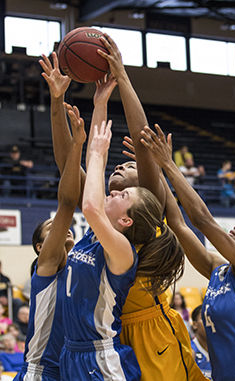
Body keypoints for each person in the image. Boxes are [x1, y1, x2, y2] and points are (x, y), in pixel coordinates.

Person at [40, 41, 206, 380]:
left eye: (128, 168)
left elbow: (141, 139)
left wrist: (122, 76)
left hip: (150, 329)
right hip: (108, 333)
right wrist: (57, 103)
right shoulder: (104, 211)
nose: (119, 167)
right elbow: (66, 163)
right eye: (117, 165)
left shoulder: (149, 205)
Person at [140, 123, 235, 381]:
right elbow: (178, 224)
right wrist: (155, 167)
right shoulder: (219, 271)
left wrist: (169, 164)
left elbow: (203, 220)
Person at [59, 112, 185, 379]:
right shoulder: (100, 231)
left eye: (131, 166)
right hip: (81, 347)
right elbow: (72, 166)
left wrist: (95, 152)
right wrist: (98, 102)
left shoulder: (133, 235)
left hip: (134, 336)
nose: (119, 169)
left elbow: (92, 204)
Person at [13, 102, 85, 381]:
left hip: (73, 371)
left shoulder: (80, 266)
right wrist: (75, 144)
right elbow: (67, 203)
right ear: (40, 247)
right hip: (41, 372)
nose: (61, 228)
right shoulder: (44, 267)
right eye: (50, 228)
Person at [190, 306, 212, 380]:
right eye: (205, 319)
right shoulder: (189, 351)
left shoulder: (223, 350)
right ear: (194, 325)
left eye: (212, 319)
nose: (210, 323)